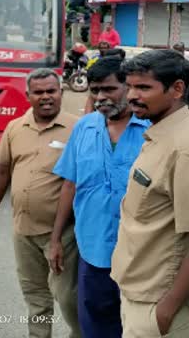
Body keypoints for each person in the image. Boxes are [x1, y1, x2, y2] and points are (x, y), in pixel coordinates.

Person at [111, 50, 189, 338]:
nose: (132, 96)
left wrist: (166, 310)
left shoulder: (188, 148)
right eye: (130, 86)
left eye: (144, 88)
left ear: (177, 89)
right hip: (141, 289)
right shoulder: (160, 133)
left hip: (159, 300)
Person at [50, 58, 150, 338]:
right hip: (92, 248)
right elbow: (70, 185)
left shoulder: (151, 130)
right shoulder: (85, 128)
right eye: (95, 91)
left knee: (135, 325)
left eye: (109, 89)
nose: (101, 98)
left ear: (128, 87)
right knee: (93, 322)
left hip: (141, 253)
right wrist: (56, 239)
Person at [0, 68, 80, 338]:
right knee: (35, 296)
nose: (46, 97)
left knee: (68, 299)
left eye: (52, 91)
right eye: (39, 92)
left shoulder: (78, 127)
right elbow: (2, 172)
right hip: (23, 230)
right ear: (28, 96)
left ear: (61, 93)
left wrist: (58, 239)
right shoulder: (15, 127)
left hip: (64, 234)